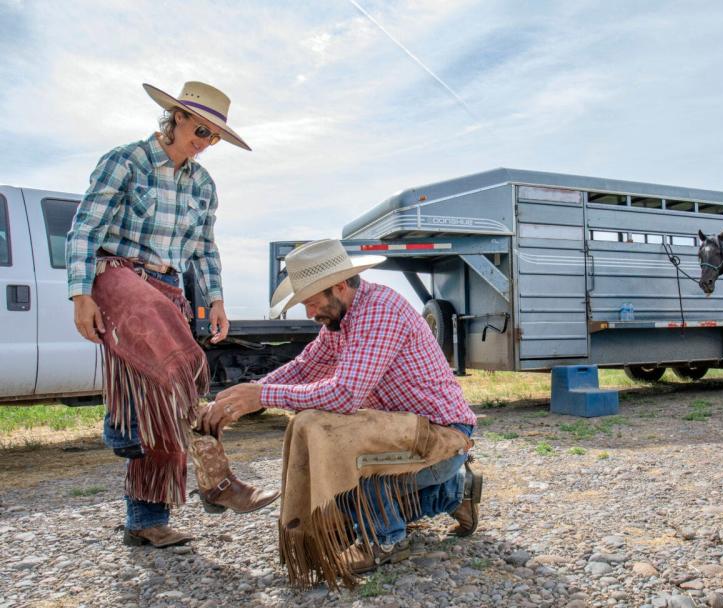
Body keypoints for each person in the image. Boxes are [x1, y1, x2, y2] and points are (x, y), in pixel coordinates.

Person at [66, 81, 278, 549]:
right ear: (176, 117)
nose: (204, 142)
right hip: (118, 273)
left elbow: (203, 249)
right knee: (187, 365)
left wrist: (217, 299)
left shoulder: (203, 184)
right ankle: (214, 480)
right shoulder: (127, 160)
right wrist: (81, 294)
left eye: (214, 137)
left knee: (161, 405)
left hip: (167, 287)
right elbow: (84, 228)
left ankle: (144, 519)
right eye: (200, 129)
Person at [200, 239, 481, 577]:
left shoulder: (380, 311)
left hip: (440, 437)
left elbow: (345, 394)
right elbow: (305, 367)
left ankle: (383, 539)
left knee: (343, 466)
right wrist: (245, 397)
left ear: (339, 286)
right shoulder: (343, 318)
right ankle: (454, 493)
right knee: (341, 470)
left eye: (312, 302)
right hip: (403, 432)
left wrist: (263, 397)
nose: (309, 313)